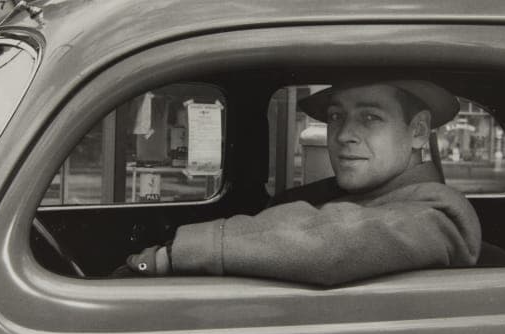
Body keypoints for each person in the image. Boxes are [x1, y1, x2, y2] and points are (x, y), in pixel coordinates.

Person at [123, 79, 481, 286]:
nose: (344, 135)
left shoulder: (438, 214)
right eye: (337, 117)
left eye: (370, 117)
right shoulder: (337, 193)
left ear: (417, 131)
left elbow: (333, 244)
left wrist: (173, 255)